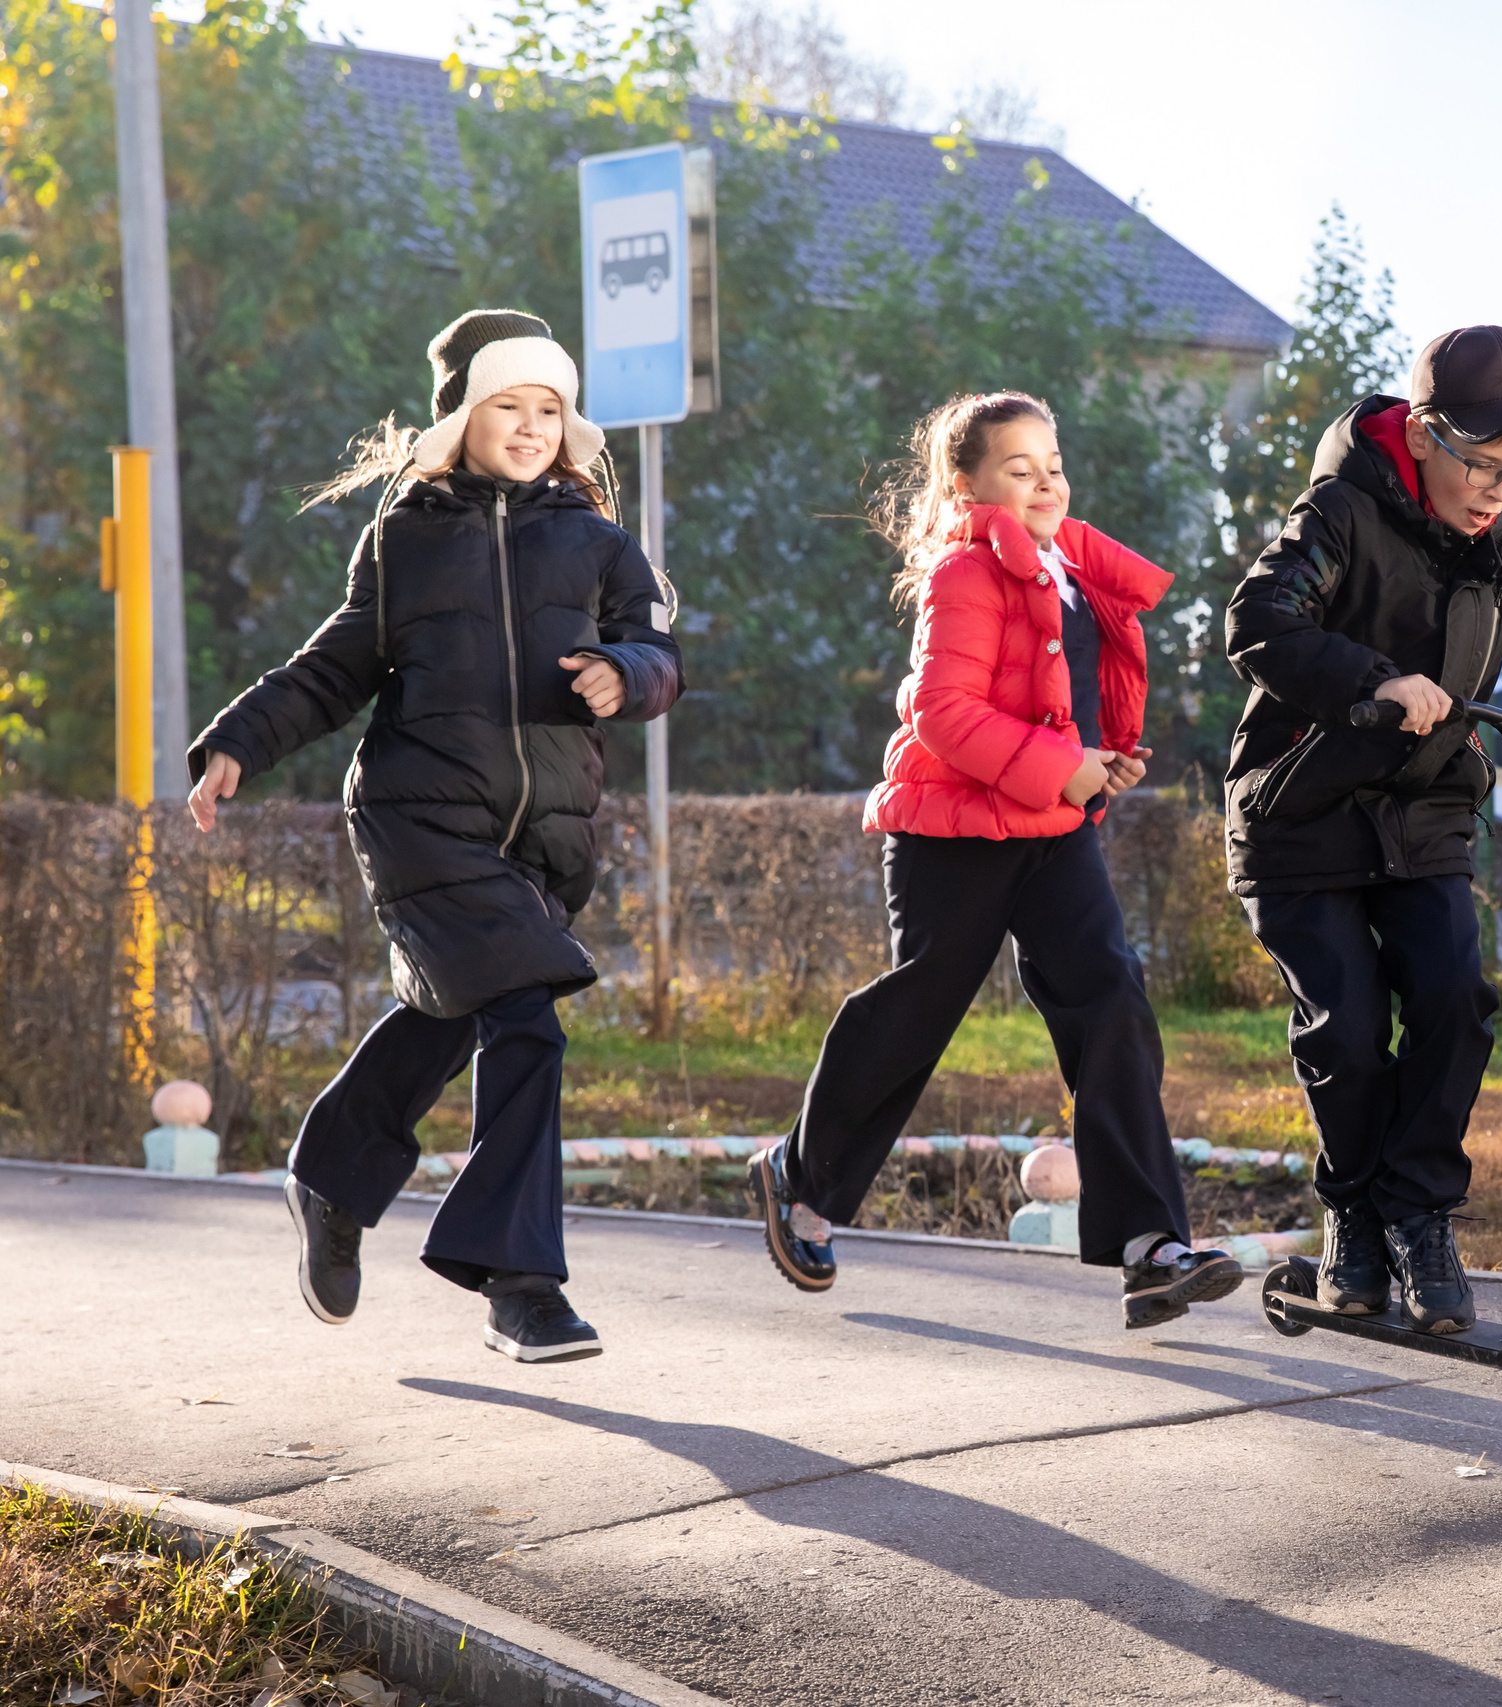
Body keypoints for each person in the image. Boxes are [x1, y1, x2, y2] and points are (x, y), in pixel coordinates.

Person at [187, 309, 682, 1363]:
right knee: (527, 1021)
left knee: (447, 1017)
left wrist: (625, 674)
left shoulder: (598, 541)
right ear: (460, 417)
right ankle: (520, 1282)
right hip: (420, 824)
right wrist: (239, 739)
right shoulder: (405, 540)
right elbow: (332, 670)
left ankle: (331, 1173)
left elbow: (658, 651)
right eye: (509, 404)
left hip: (544, 840)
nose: (532, 425)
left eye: (550, 408)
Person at [746, 391, 1241, 1330]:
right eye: (1020, 469)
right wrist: (1064, 764)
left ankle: (1150, 1247)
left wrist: (1098, 759)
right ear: (968, 485)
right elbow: (944, 713)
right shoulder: (965, 571)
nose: (1045, 482)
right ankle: (799, 1177)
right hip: (954, 829)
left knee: (1111, 995)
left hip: (1051, 826)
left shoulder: (1071, 568)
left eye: (1053, 465)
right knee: (920, 1007)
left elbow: (1060, 696)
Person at [1224, 325, 1502, 1335]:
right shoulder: (1338, 513)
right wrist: (1375, 681)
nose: (1500, 490)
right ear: (1422, 435)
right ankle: (1352, 1216)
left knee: (1455, 1003)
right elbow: (1260, 622)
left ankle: (1418, 1217)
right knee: (1347, 1028)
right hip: (1303, 808)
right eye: (1483, 466)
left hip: (1424, 807)